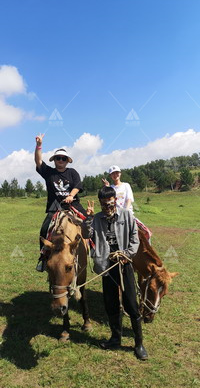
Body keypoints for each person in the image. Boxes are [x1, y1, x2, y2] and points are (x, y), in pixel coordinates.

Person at [82, 186, 148, 360]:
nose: (108, 208)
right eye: (104, 205)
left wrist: (127, 254)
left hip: (124, 264)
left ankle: (139, 343)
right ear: (100, 204)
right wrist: (87, 218)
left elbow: (135, 239)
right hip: (106, 266)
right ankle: (115, 338)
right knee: (110, 303)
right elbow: (85, 234)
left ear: (115, 201)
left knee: (131, 304)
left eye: (110, 205)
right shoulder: (96, 219)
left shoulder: (127, 215)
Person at [35, 133, 87, 269]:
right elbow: (38, 162)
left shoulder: (72, 172)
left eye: (63, 158)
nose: (60, 160)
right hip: (55, 206)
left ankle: (94, 251)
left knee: (89, 222)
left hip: (73, 205)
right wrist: (39, 146)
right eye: (58, 158)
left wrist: (71, 195)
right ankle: (44, 257)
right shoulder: (49, 173)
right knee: (44, 228)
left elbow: (78, 185)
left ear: (67, 160)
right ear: (54, 160)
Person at [102, 165, 152, 241]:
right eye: (113, 174)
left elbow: (129, 199)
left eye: (117, 173)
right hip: (114, 216)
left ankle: (147, 251)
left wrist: (126, 211)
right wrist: (107, 187)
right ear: (110, 175)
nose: (115, 175)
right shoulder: (110, 188)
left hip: (128, 214)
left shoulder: (126, 185)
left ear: (120, 173)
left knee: (146, 232)